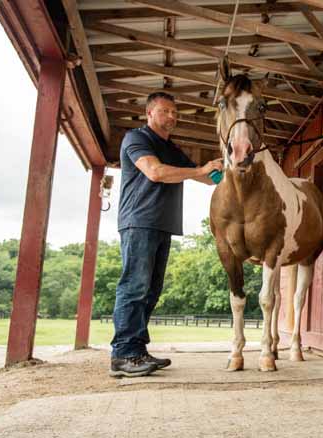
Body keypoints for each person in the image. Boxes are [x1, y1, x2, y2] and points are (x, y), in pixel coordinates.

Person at [109, 92, 223, 378]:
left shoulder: (172, 149)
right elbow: (155, 172)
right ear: (149, 113)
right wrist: (199, 168)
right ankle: (124, 354)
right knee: (134, 287)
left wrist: (227, 167)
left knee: (150, 291)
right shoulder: (137, 139)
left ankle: (137, 351)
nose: (171, 116)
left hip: (162, 225)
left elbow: (207, 179)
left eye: (174, 112)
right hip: (139, 221)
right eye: (165, 111)